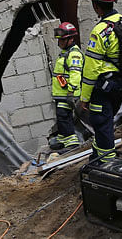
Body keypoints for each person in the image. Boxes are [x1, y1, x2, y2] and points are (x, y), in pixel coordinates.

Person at [80, 0, 122, 161]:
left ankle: (108, 165)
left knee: (102, 125)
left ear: (96, 6)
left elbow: (91, 69)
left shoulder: (100, 31)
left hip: (104, 88)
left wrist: (84, 98)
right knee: (105, 124)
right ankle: (96, 156)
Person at [50, 22, 83, 150]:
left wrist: (71, 93)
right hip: (61, 94)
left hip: (67, 93)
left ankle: (71, 141)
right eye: (59, 40)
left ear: (71, 39)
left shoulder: (74, 54)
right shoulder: (66, 52)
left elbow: (75, 75)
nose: (60, 43)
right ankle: (63, 136)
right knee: (61, 116)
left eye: (62, 40)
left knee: (64, 116)